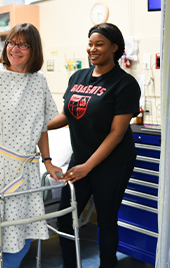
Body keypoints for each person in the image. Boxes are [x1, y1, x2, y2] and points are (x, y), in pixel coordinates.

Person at [0, 22, 62, 268]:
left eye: (23, 45)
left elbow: (41, 126)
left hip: (26, 172)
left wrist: (48, 162)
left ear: (33, 49)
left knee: (22, 236)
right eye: (11, 43)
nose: (15, 49)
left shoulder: (38, 81)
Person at [48, 23, 141, 268]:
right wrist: (40, 126)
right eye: (90, 43)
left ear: (114, 47)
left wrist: (87, 167)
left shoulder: (125, 84)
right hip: (81, 158)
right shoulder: (78, 77)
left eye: (99, 44)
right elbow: (68, 114)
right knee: (65, 219)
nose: (92, 49)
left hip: (113, 162)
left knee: (107, 220)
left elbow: (117, 133)